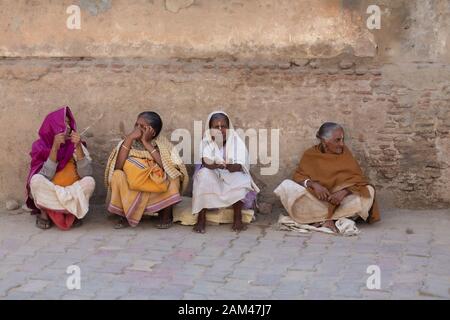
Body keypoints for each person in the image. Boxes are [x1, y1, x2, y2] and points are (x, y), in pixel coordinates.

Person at [274, 122, 380, 233]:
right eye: (337, 140)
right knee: (286, 186)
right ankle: (333, 219)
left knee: (369, 191)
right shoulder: (310, 154)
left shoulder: (345, 153)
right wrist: (314, 185)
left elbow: (358, 180)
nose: (342, 144)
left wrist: (345, 191)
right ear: (325, 142)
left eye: (342, 139)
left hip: (340, 203)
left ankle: (321, 219)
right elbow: (298, 177)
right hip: (317, 201)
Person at [105, 111, 188, 229]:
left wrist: (146, 142)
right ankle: (124, 215)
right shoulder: (127, 142)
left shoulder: (163, 144)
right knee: (117, 175)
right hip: (132, 185)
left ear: (152, 131)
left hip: (155, 185)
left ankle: (165, 215)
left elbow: (169, 167)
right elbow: (117, 167)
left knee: (173, 177)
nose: (137, 129)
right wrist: (129, 139)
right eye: (136, 125)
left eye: (143, 127)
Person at [26, 106, 95, 230]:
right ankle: (47, 214)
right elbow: (45, 176)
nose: (68, 127)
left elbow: (86, 173)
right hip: (51, 192)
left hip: (71, 191)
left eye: (69, 123)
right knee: (36, 180)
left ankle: (69, 210)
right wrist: (54, 148)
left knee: (90, 182)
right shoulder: (40, 147)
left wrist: (78, 147)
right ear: (52, 126)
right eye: (63, 123)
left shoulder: (76, 144)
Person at [192, 111, 259, 233]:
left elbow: (241, 165)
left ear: (228, 128)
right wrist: (214, 165)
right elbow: (205, 162)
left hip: (230, 173)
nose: (220, 130)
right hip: (212, 173)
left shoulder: (236, 141)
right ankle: (201, 219)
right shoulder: (205, 142)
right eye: (215, 127)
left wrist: (230, 166)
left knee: (241, 179)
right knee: (203, 175)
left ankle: (237, 218)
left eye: (223, 126)